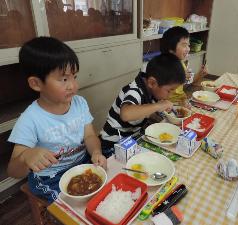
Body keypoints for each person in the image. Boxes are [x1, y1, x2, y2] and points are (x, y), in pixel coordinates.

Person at [7, 36, 107, 203]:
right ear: (36, 84)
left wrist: (96, 152)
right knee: (72, 207)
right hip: (50, 177)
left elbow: (89, 136)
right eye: (64, 79)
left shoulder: (79, 103)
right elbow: (13, 171)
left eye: (74, 76)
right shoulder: (30, 120)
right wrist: (26, 157)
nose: (73, 86)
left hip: (81, 162)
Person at [100, 53, 186, 157]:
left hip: (133, 138)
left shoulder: (152, 90)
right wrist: (158, 106)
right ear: (152, 83)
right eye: (169, 90)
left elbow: (146, 112)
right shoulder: (134, 91)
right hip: (112, 144)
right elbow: (126, 114)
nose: (170, 95)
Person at [160, 26, 207, 105]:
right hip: (168, 105)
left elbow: (186, 84)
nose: (188, 49)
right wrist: (178, 78)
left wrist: (200, 74)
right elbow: (159, 93)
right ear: (170, 48)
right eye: (184, 45)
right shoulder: (163, 65)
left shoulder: (181, 62)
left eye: (188, 45)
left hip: (183, 100)